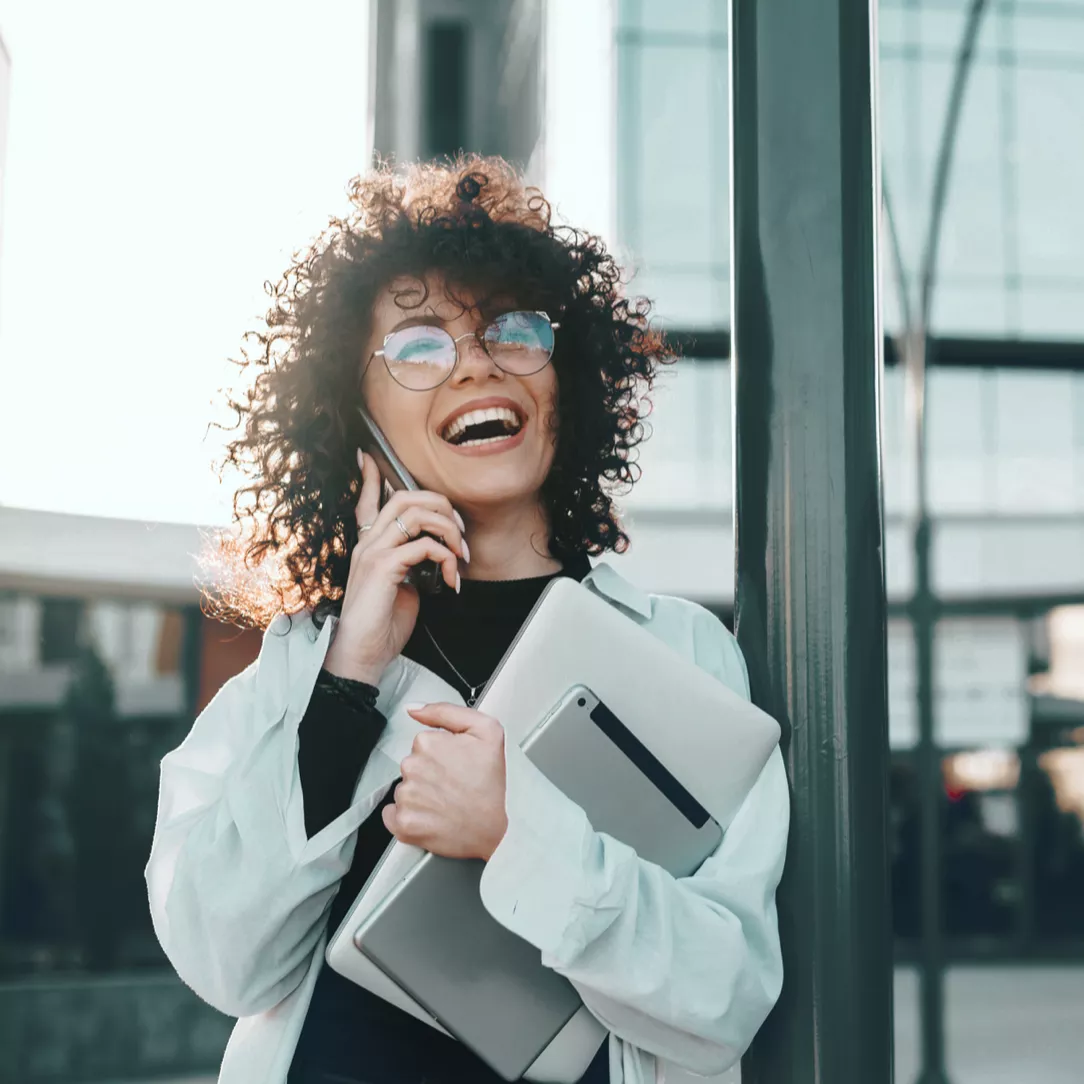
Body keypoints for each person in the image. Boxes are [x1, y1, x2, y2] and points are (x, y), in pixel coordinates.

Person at [145, 156, 788, 1084]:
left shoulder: (681, 654)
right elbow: (223, 960)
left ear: (565, 378)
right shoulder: (303, 666)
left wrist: (514, 835)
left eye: (514, 330)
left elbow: (726, 997)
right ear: (353, 418)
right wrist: (350, 677)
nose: (477, 363)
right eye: (418, 344)